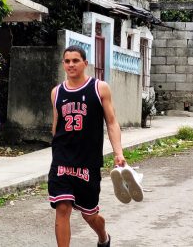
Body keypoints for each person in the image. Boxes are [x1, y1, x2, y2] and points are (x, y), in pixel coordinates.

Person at [48, 45, 127, 247]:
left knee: (90, 215)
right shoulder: (57, 92)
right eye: (67, 61)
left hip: (87, 161)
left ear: (85, 63)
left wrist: (119, 153)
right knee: (62, 207)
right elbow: (56, 125)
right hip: (62, 159)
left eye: (75, 60)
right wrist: (56, 151)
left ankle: (103, 237)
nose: (71, 64)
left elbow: (111, 121)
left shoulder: (99, 88)